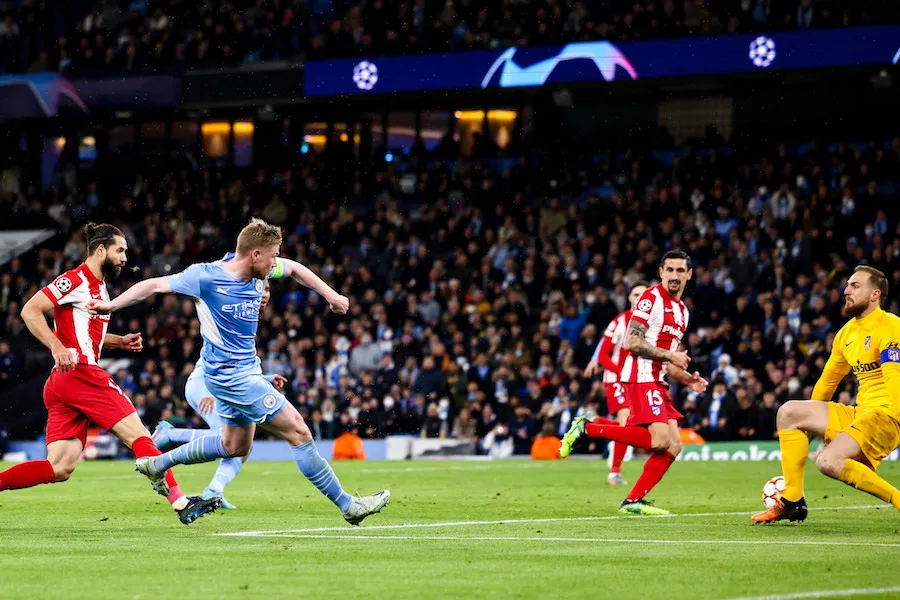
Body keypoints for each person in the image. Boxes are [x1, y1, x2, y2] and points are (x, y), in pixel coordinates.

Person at [89, 218, 390, 525]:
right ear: (254, 254)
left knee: (235, 446)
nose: (276, 263)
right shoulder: (206, 277)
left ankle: (158, 463)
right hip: (230, 376)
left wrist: (332, 296)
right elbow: (152, 285)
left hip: (246, 372)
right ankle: (347, 505)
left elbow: (297, 268)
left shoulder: (262, 270)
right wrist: (111, 306)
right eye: (272, 255)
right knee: (298, 431)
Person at [0, 223, 220, 525]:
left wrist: (118, 341)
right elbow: (30, 310)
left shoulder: (100, 288)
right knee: (140, 436)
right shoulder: (74, 279)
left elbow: (82, 332)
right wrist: (55, 346)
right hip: (80, 374)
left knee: (59, 467)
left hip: (63, 383)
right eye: (120, 250)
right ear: (100, 249)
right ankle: (181, 502)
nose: (125, 257)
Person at [560, 250, 708, 515]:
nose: (674, 275)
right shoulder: (650, 300)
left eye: (680, 271)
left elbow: (667, 361)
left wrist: (688, 379)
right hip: (639, 375)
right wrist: (670, 356)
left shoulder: (682, 312)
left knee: (674, 445)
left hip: (657, 378)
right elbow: (631, 342)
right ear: (661, 272)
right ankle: (588, 429)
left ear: (689, 274)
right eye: (669, 270)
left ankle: (632, 501)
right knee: (659, 441)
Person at [752, 266, 900, 523]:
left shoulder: (890, 325)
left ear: (876, 294)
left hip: (887, 414)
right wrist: (811, 424)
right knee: (789, 413)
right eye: (847, 285)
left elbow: (893, 377)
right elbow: (827, 383)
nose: (846, 290)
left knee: (827, 461)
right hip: (861, 413)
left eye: (855, 286)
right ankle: (792, 502)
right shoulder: (846, 334)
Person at [151, 280, 286, 509]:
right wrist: (216, 390)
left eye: (268, 290)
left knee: (243, 445)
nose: (264, 295)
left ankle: (215, 489)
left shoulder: (248, 318)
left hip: (219, 385)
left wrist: (266, 378)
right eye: (261, 288)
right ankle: (171, 435)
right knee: (227, 440)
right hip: (207, 385)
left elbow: (241, 366)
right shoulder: (235, 310)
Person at [582, 280, 649, 485]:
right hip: (616, 379)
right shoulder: (620, 321)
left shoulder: (651, 324)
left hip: (637, 380)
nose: (640, 299)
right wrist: (622, 372)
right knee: (627, 422)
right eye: (636, 295)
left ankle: (593, 423)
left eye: (644, 296)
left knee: (633, 426)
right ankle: (614, 473)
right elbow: (603, 355)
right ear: (629, 298)